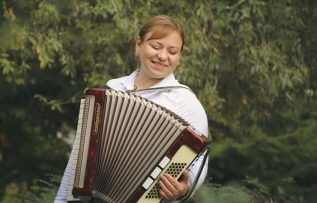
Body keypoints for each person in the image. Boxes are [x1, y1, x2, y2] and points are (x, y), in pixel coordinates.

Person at [55, 15, 208, 203]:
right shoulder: (111, 89)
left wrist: (183, 188)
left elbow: (199, 164)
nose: (162, 56)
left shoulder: (187, 104)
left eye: (172, 51)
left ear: (179, 56)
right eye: (156, 46)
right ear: (138, 44)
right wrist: (61, 200)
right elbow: (80, 155)